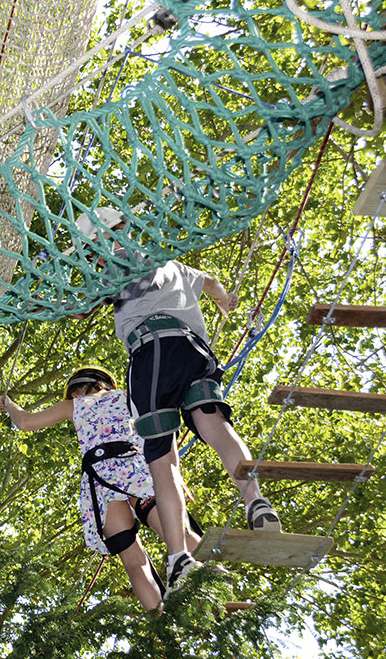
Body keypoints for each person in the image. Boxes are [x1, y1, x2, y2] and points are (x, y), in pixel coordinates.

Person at [72, 205, 281, 596]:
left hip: (153, 353)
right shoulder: (172, 264)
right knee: (216, 427)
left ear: (104, 236)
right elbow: (214, 284)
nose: (93, 258)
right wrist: (226, 302)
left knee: (161, 458)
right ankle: (257, 501)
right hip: (196, 351)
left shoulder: (116, 262)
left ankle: (177, 558)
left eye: (90, 250)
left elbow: (81, 308)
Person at [0, 366, 202, 611]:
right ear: (106, 383)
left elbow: (26, 422)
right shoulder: (129, 396)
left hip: (100, 483)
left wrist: (8, 404)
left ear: (74, 393)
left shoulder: (74, 406)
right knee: (175, 532)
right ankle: (214, 578)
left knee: (134, 562)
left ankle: (160, 621)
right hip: (135, 470)